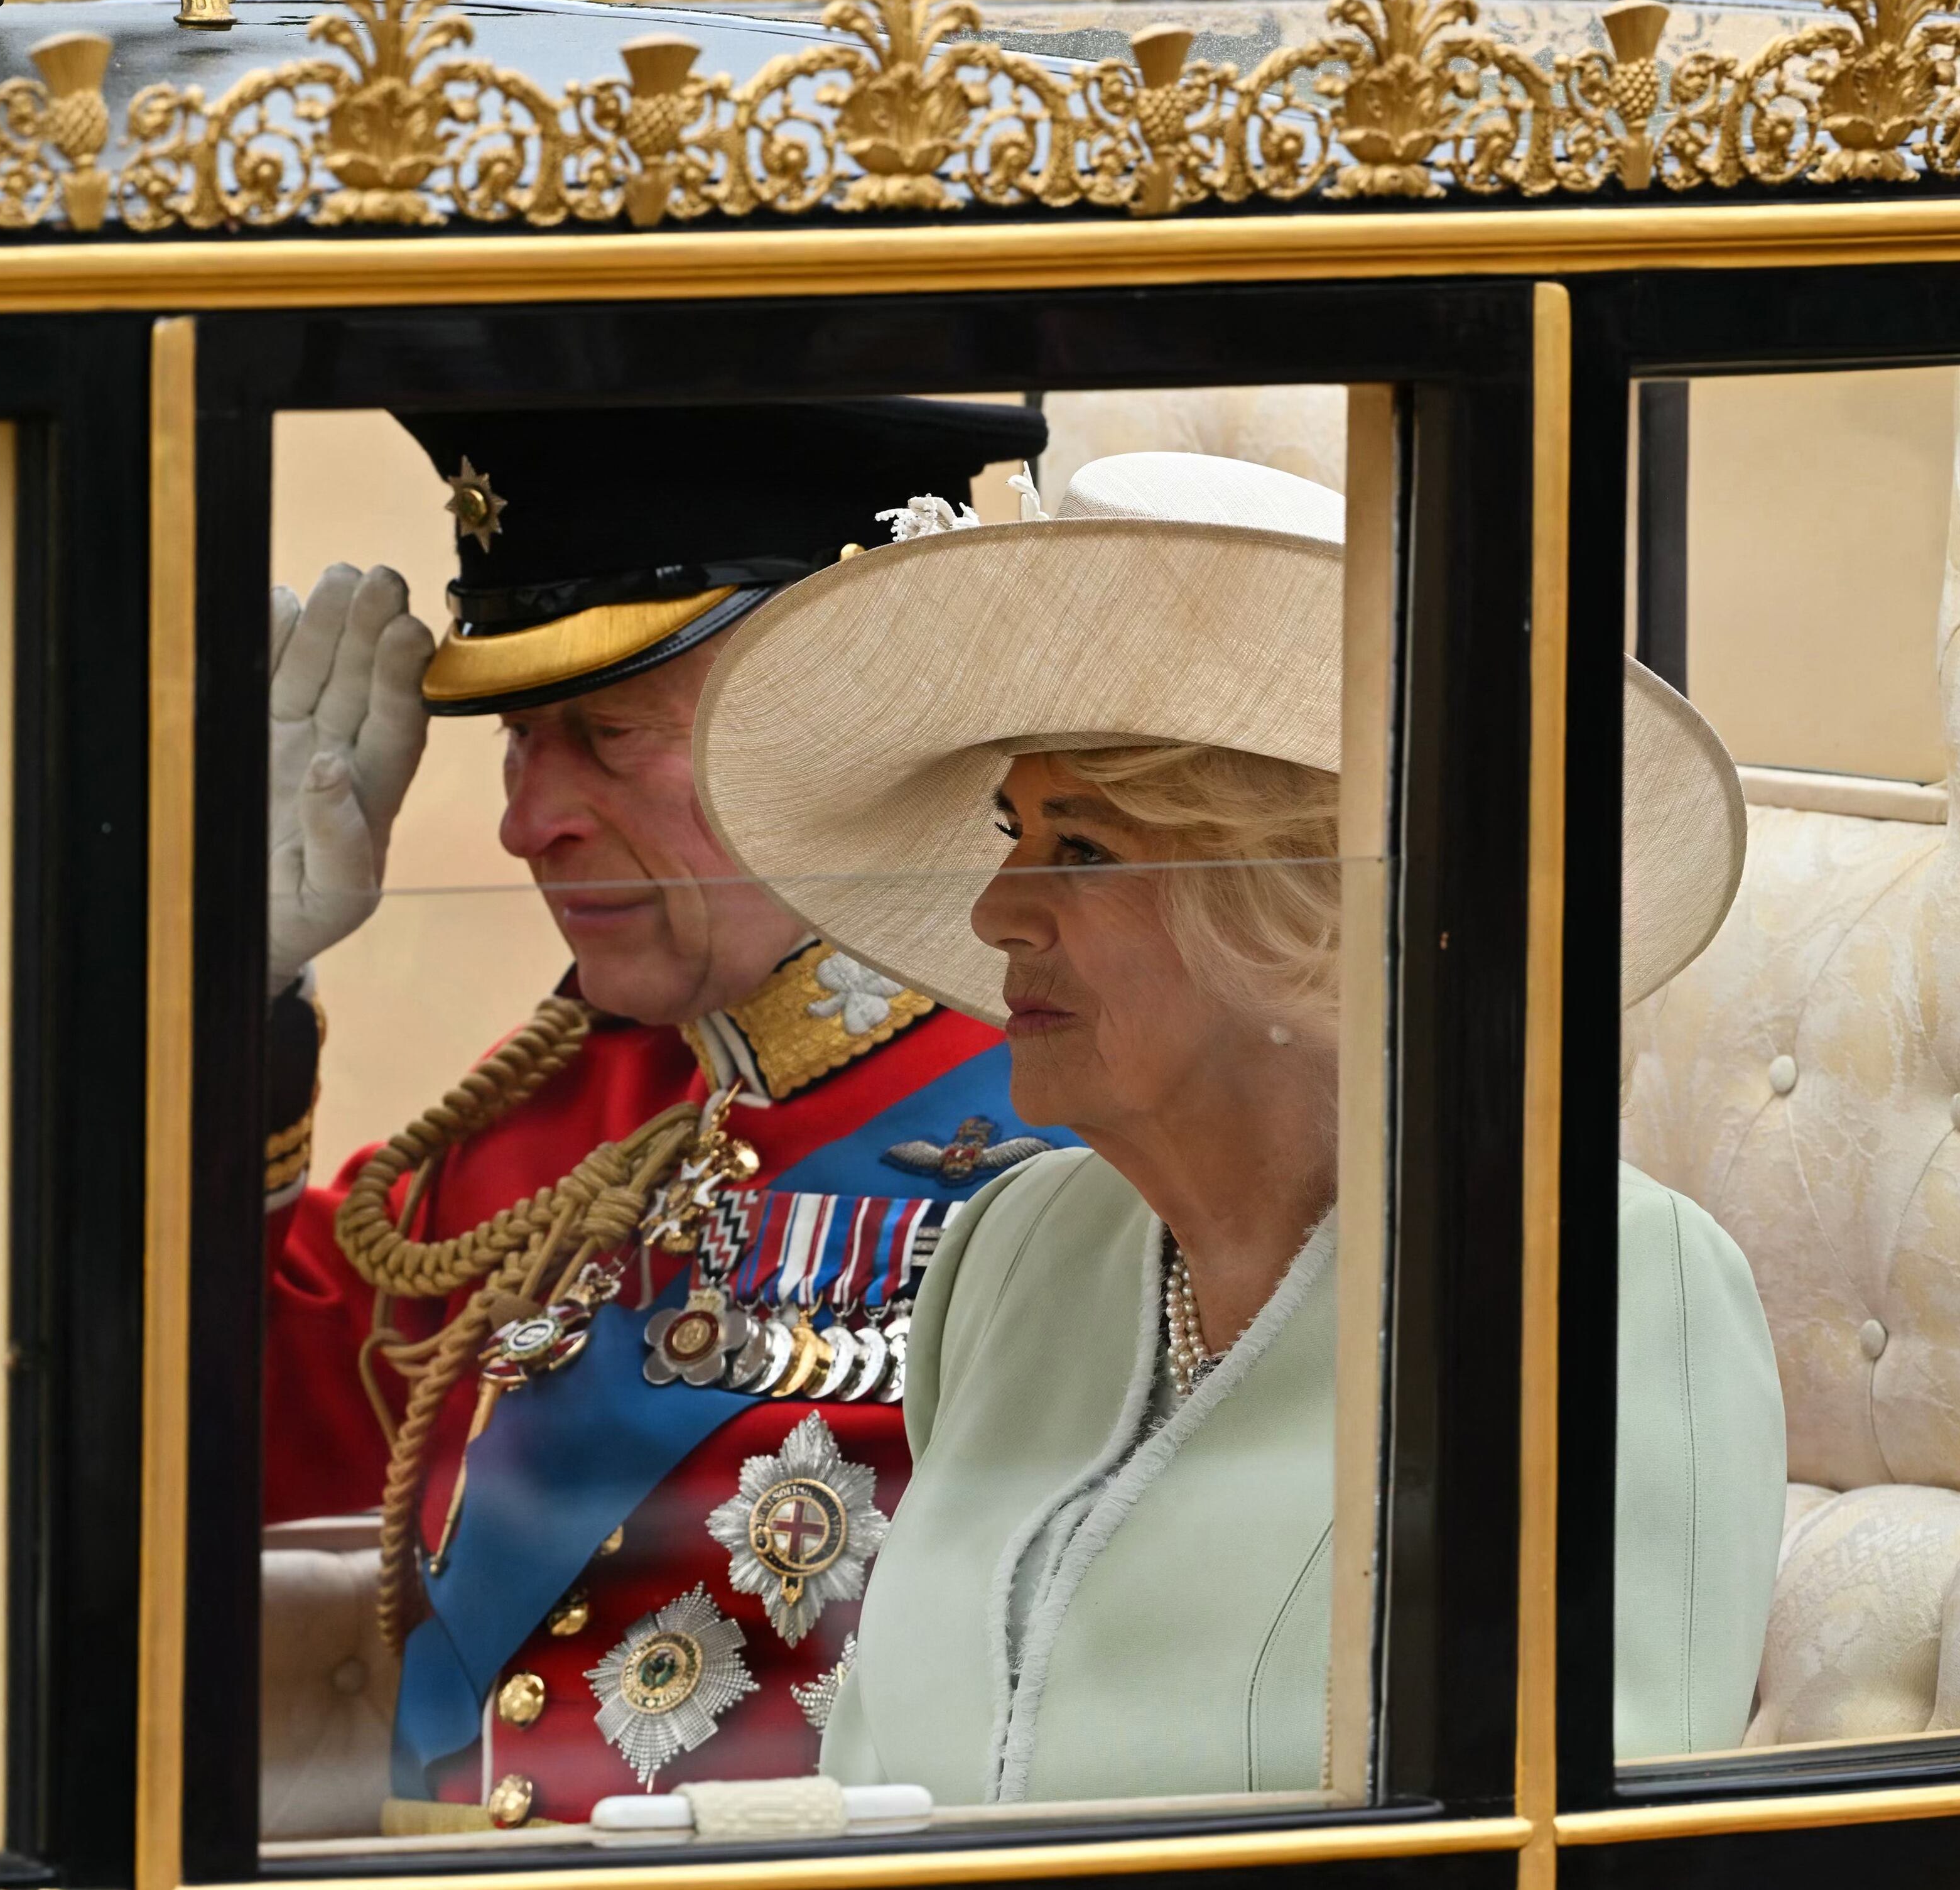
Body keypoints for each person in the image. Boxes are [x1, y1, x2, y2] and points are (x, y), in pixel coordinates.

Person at [690, 450, 1786, 1802]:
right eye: (1008, 830)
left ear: (1300, 898)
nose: (993, 911)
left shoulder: (1603, 1286)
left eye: (1080, 850)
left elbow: (1609, 1839)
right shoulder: (1010, 1253)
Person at [256, 398, 1068, 1830]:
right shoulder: (581, 1111)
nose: (527, 822)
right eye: (520, 738)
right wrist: (236, 993)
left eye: (609, 730)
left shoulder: (1089, 1120)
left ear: (848, 724)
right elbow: (238, 1413)